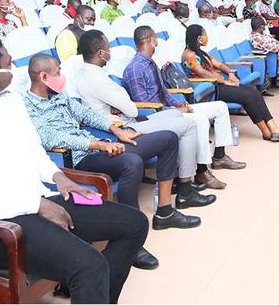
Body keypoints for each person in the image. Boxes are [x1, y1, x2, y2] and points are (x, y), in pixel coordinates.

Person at [0, 33, 148, 304]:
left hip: (36, 203)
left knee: (134, 224)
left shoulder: (11, 102)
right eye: (7, 65)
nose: (14, 70)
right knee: (89, 265)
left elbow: (34, 149)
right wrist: (37, 205)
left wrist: (59, 177)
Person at [23, 54, 197, 271]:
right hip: (75, 159)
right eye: (58, 72)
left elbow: (86, 114)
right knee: (131, 163)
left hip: (99, 145)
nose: (62, 76)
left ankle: (165, 212)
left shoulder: (59, 95)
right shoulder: (26, 106)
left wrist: (117, 130)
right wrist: (98, 145)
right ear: (44, 76)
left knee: (168, 138)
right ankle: (132, 241)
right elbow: (52, 138)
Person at [75, 30, 215, 198]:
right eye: (107, 48)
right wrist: (122, 104)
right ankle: (186, 189)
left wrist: (121, 104)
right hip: (125, 127)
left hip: (127, 119)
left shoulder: (91, 73)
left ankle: (180, 178)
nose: (110, 52)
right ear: (100, 53)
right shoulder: (96, 79)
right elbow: (132, 109)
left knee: (178, 115)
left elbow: (126, 105)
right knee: (189, 125)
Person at [124, 25, 245, 186]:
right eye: (155, 38)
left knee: (220, 107)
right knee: (200, 120)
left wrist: (179, 103)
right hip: (157, 115)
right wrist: (174, 110)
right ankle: (202, 172)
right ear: (148, 40)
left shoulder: (151, 63)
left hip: (171, 109)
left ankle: (220, 157)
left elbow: (164, 92)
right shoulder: (135, 68)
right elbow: (146, 104)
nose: (157, 42)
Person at [182, 25, 279, 143]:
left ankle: (273, 128)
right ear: (199, 38)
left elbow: (219, 64)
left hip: (218, 84)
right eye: (205, 35)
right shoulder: (189, 55)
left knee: (254, 93)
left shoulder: (201, 53)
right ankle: (266, 132)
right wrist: (226, 82)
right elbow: (203, 73)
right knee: (248, 97)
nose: (206, 37)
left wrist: (230, 73)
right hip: (210, 89)